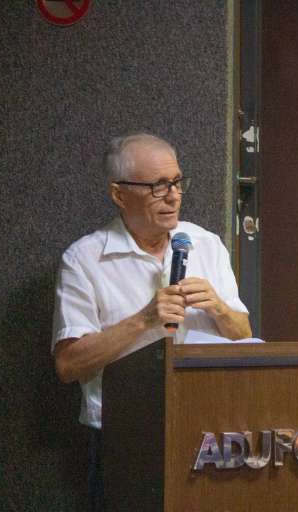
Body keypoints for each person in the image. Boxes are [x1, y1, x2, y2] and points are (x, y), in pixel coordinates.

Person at [51, 133, 251, 511]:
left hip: (208, 432)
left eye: (177, 182)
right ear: (119, 194)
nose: (173, 196)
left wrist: (219, 309)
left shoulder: (205, 244)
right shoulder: (84, 260)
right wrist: (144, 319)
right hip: (125, 438)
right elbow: (68, 364)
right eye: (158, 186)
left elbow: (245, 334)